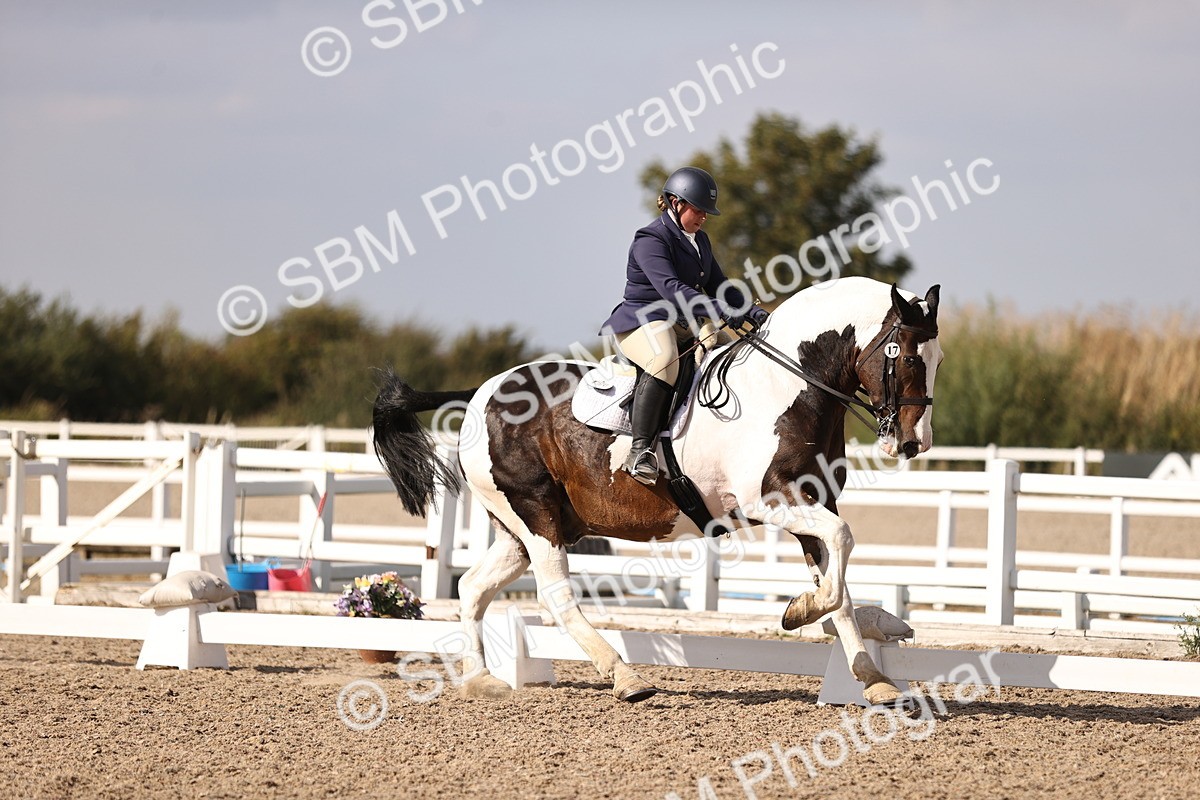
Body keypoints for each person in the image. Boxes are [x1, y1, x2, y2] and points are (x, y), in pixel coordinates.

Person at [599, 166, 768, 485]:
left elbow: (720, 285)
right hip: (642, 321)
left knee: (723, 356)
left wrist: (751, 311)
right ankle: (640, 451)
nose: (704, 217)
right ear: (675, 203)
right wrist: (720, 309)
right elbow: (673, 289)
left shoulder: (700, 241)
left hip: (683, 322)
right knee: (664, 360)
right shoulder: (650, 239)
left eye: (706, 212)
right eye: (699, 210)